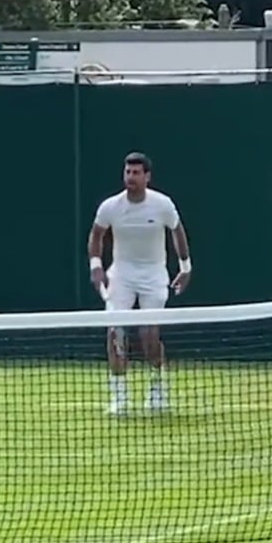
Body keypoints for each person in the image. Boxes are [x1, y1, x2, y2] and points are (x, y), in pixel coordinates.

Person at [88, 152, 192, 416]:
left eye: (136, 173)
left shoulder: (163, 205)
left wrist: (185, 268)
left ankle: (158, 387)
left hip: (154, 275)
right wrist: (96, 267)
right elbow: (97, 235)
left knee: (149, 337)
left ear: (147, 177)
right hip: (120, 275)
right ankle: (119, 395)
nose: (130, 178)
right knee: (114, 333)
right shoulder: (110, 207)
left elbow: (177, 231)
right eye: (127, 172)